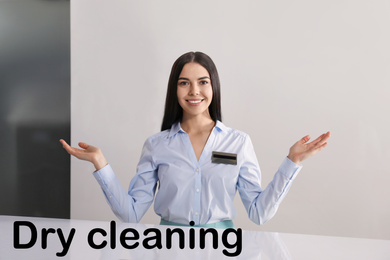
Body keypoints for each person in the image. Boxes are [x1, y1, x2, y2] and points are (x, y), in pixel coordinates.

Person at [60, 51, 330, 229]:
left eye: (203, 82)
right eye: (184, 83)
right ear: (174, 89)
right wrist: (100, 163)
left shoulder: (238, 143)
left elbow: (259, 213)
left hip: (222, 250)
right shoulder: (157, 145)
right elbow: (131, 214)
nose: (194, 91)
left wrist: (292, 162)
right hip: (168, 250)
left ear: (213, 86)